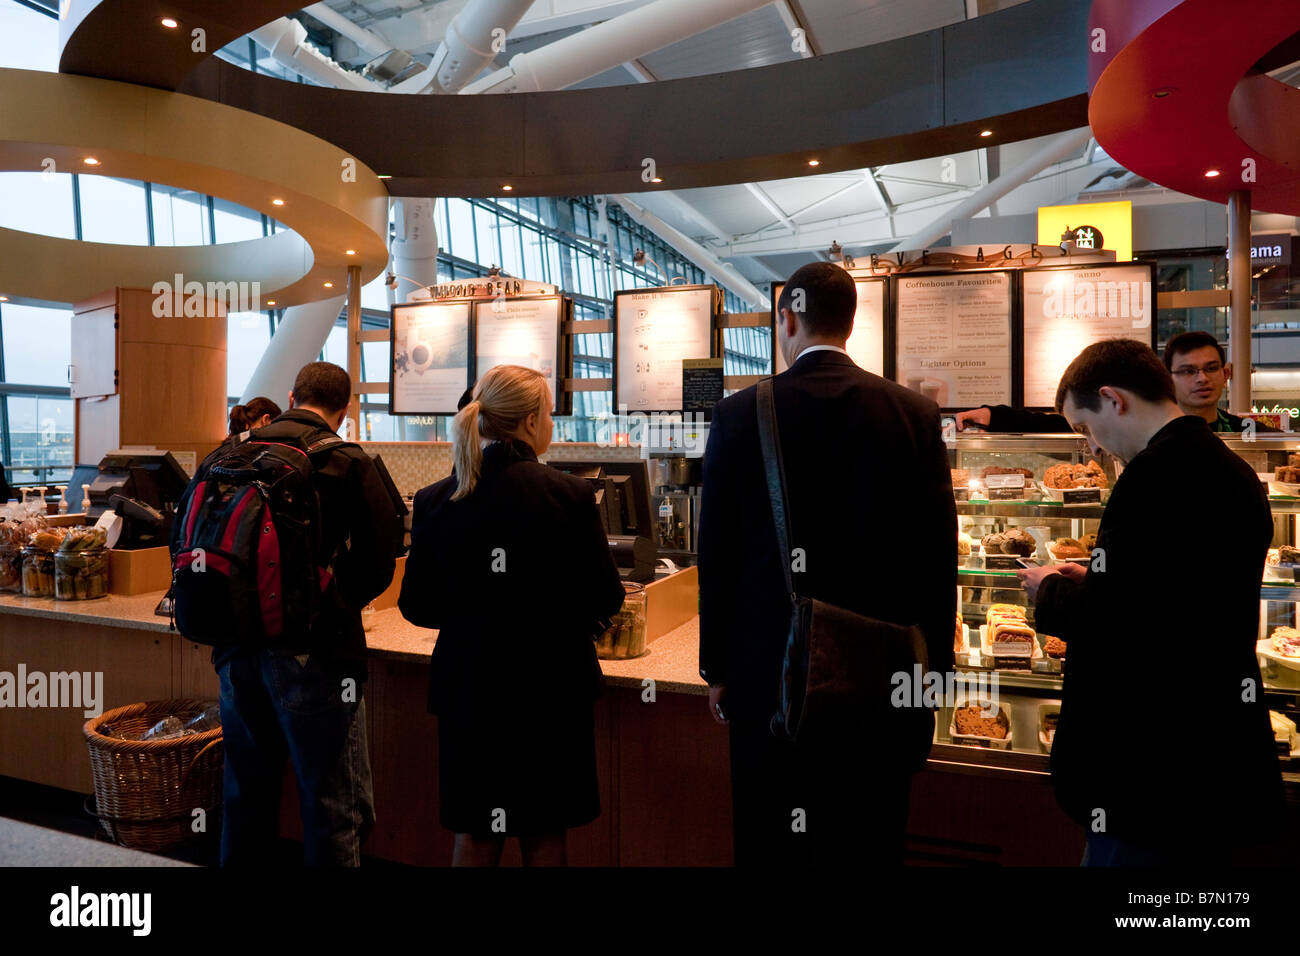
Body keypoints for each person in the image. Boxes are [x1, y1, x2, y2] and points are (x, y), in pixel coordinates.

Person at [698, 262, 956, 866]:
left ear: (786, 318)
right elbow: (937, 556)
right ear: (851, 322)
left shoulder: (740, 414)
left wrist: (719, 667)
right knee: (868, 833)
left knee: (774, 834)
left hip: (771, 669)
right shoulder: (914, 413)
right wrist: (932, 676)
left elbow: (718, 553)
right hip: (882, 667)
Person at [1015, 339, 1283, 865]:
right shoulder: (1230, 468)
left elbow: (1123, 629)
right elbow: (1172, 603)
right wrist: (1093, 577)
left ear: (1113, 399)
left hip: (1151, 771)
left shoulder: (1153, 478)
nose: (1092, 446)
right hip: (1216, 757)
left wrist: (1048, 588)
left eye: (1085, 427)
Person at [398, 364, 625, 867]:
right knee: (544, 834)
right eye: (547, 414)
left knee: (475, 834)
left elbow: (416, 604)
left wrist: (475, 616)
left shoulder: (437, 499)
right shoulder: (568, 495)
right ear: (527, 423)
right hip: (551, 691)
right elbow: (607, 596)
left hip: (468, 691)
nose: (550, 425)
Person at [198, 362, 402, 866]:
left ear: (291, 395)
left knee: (245, 793)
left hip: (235, 648)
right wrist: (330, 604)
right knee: (333, 803)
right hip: (316, 655)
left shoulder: (229, 454)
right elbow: (382, 557)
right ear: (345, 408)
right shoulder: (346, 461)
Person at [954, 330, 1272, 433]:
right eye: (1188, 371)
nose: (1201, 378)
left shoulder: (1249, 432)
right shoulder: (1140, 427)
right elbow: (1060, 424)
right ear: (1168, 376)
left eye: (1211, 368)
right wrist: (994, 416)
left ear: (1226, 374)